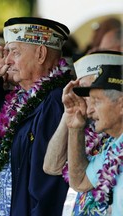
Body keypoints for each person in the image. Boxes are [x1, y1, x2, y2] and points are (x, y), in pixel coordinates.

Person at [0, 17, 72, 215]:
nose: (8, 60)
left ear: (41, 53)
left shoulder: (56, 100)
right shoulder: (19, 95)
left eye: (15, 52)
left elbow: (45, 182)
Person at [43, 50, 123, 215]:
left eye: (95, 97)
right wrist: (71, 121)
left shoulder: (112, 132)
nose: (88, 104)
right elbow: (53, 167)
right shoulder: (114, 142)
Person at [64, 64, 123, 215]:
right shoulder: (115, 147)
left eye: (96, 101)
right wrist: (74, 128)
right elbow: (80, 181)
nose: (89, 109)